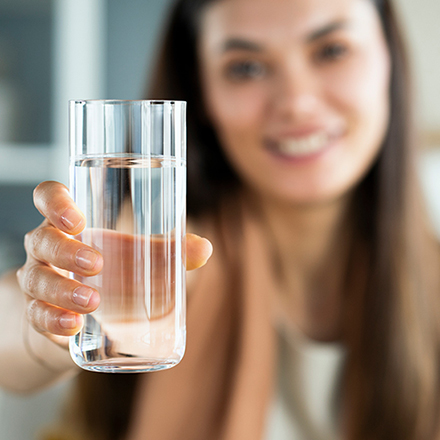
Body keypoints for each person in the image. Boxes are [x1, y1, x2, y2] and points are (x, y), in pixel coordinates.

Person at [1, 0, 440, 438]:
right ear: (203, 92)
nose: (297, 103)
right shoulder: (168, 247)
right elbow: (11, 333)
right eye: (245, 67)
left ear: (390, 59)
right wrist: (43, 321)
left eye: (331, 50)